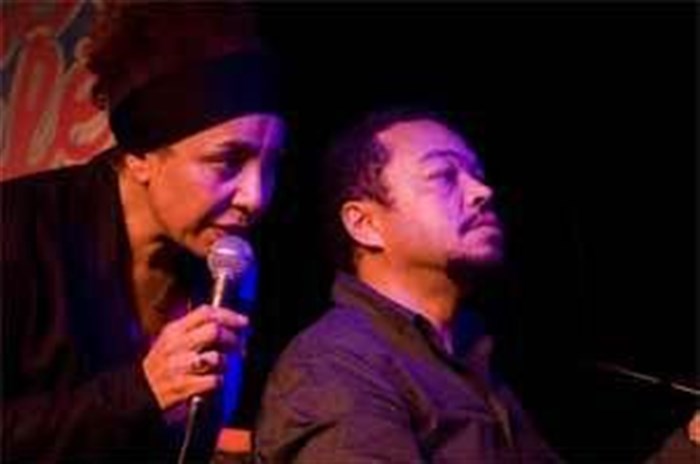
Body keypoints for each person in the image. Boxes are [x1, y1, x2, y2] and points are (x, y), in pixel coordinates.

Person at [1, 2, 285, 462]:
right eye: (227, 161)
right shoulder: (17, 229)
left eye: (271, 165)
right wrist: (140, 391)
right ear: (139, 157)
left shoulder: (226, 264)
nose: (256, 196)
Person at [255, 108, 560, 462]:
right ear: (365, 224)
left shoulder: (473, 354)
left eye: (477, 175)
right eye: (443, 175)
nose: (482, 191)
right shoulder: (334, 365)